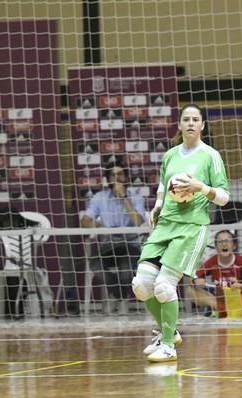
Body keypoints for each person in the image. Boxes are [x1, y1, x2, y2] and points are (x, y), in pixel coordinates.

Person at [132, 103, 230, 363]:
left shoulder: (211, 156)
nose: (190, 123)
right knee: (141, 286)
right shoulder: (170, 155)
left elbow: (224, 197)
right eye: (185, 119)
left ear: (202, 125)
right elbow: (164, 186)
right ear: (179, 124)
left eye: (195, 119)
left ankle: (167, 345)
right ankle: (169, 330)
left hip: (191, 227)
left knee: (164, 286)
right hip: (165, 224)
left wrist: (200, 187)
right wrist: (157, 206)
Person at [81, 160, 146, 306]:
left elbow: (138, 223)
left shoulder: (135, 198)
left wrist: (123, 198)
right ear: (108, 179)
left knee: (126, 270)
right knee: (95, 265)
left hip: (130, 245)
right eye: (112, 175)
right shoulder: (99, 198)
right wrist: (94, 223)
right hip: (108, 246)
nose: (116, 178)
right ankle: (121, 295)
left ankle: (119, 297)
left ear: (126, 177)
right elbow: (85, 221)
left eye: (120, 174)